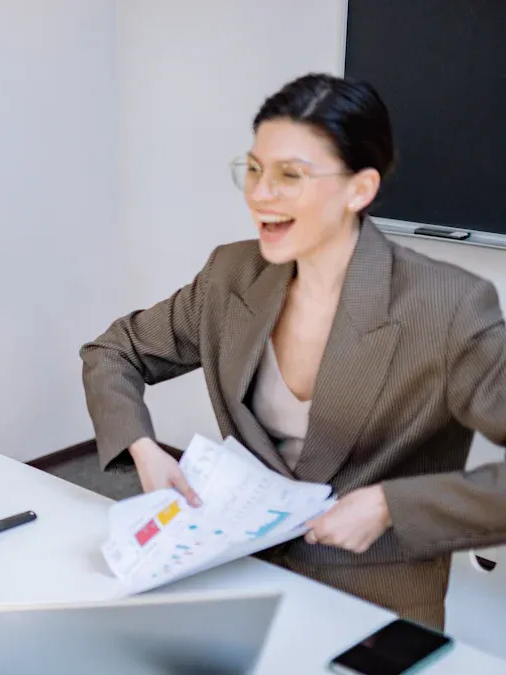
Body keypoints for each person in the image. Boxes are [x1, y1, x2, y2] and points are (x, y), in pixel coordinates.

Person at [80, 73, 506, 629]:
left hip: (374, 597)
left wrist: (389, 506)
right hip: (234, 568)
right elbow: (113, 352)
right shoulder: (230, 274)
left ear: (360, 189)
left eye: (290, 176)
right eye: (254, 170)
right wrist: (143, 448)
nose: (260, 194)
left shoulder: (447, 306)